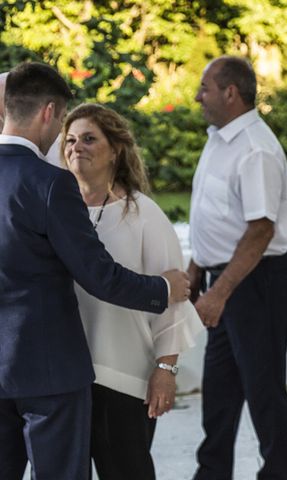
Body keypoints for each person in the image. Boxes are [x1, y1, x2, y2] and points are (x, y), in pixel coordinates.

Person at [0, 63, 190, 479]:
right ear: (49, 112)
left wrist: (165, 366)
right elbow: (99, 275)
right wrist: (163, 288)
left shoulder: (141, 212)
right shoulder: (50, 184)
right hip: (50, 372)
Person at [61, 103, 204, 479]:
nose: (77, 147)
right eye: (70, 140)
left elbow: (174, 301)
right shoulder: (56, 213)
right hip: (66, 376)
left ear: (116, 148)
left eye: (90, 138)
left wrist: (166, 368)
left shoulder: (144, 215)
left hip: (124, 377)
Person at [189, 56, 287, 479]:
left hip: (257, 280)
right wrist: (197, 271)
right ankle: (211, 473)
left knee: (263, 389)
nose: (199, 96)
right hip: (225, 278)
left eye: (205, 87)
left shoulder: (256, 148)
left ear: (230, 92)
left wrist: (220, 292)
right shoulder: (220, 139)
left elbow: (260, 231)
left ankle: (280, 473)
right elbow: (216, 216)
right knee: (218, 390)